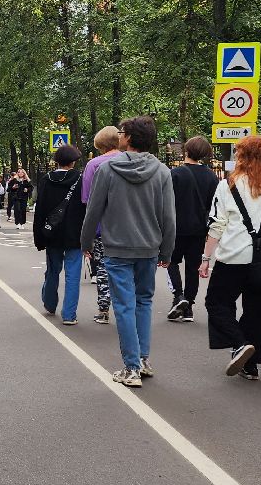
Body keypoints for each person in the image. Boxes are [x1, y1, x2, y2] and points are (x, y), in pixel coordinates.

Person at [80, 116, 176, 388]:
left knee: (123, 305)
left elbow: (94, 211)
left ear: (129, 138)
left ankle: (131, 367)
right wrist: (166, 250)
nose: (119, 136)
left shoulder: (108, 170)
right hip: (149, 247)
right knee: (144, 301)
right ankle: (143, 360)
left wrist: (86, 242)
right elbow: (169, 217)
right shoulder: (162, 172)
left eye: (122, 132)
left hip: (117, 247)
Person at [200, 134, 261, 380]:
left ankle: (239, 343)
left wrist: (206, 257)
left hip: (233, 257)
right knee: (258, 311)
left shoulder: (229, 184)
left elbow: (217, 224)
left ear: (240, 156)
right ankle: (250, 365)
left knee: (217, 302)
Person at [166, 136, 220, 323]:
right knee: (192, 267)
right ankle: (188, 307)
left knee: (171, 261)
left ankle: (178, 296)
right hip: (198, 229)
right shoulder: (211, 177)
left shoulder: (175, 174)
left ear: (186, 151)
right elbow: (213, 205)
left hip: (176, 227)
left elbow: (167, 202)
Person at [34, 144, 87, 324]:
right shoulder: (81, 179)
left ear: (56, 161)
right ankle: (69, 315)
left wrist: (39, 236)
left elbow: (39, 209)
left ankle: (49, 303)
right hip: (74, 233)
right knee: (73, 274)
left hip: (53, 233)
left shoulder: (45, 180)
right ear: (73, 162)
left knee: (53, 270)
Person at [81, 127, 122, 325]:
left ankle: (104, 309)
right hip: (129, 227)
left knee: (104, 267)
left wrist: (85, 237)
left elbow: (88, 200)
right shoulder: (131, 161)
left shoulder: (94, 165)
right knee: (126, 268)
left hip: (102, 227)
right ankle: (126, 309)